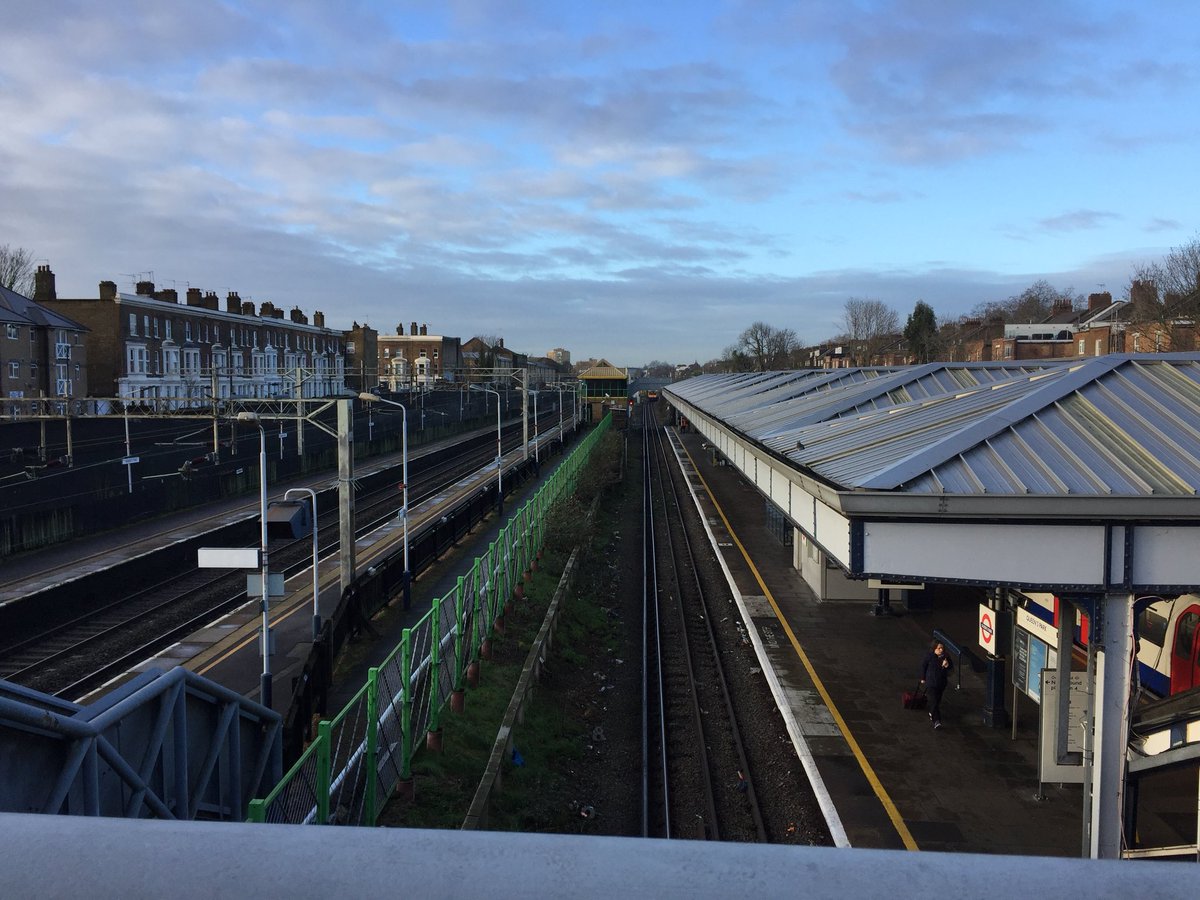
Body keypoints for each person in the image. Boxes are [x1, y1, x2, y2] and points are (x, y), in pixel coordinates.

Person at [920, 640, 953, 729]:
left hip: (941, 683)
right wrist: (923, 678)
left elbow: (951, 668)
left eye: (942, 648)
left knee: (937, 700)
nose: (941, 650)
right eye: (939, 648)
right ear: (934, 649)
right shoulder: (930, 656)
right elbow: (924, 666)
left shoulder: (946, 657)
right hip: (931, 682)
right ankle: (937, 720)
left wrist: (946, 665)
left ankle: (932, 711)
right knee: (934, 700)